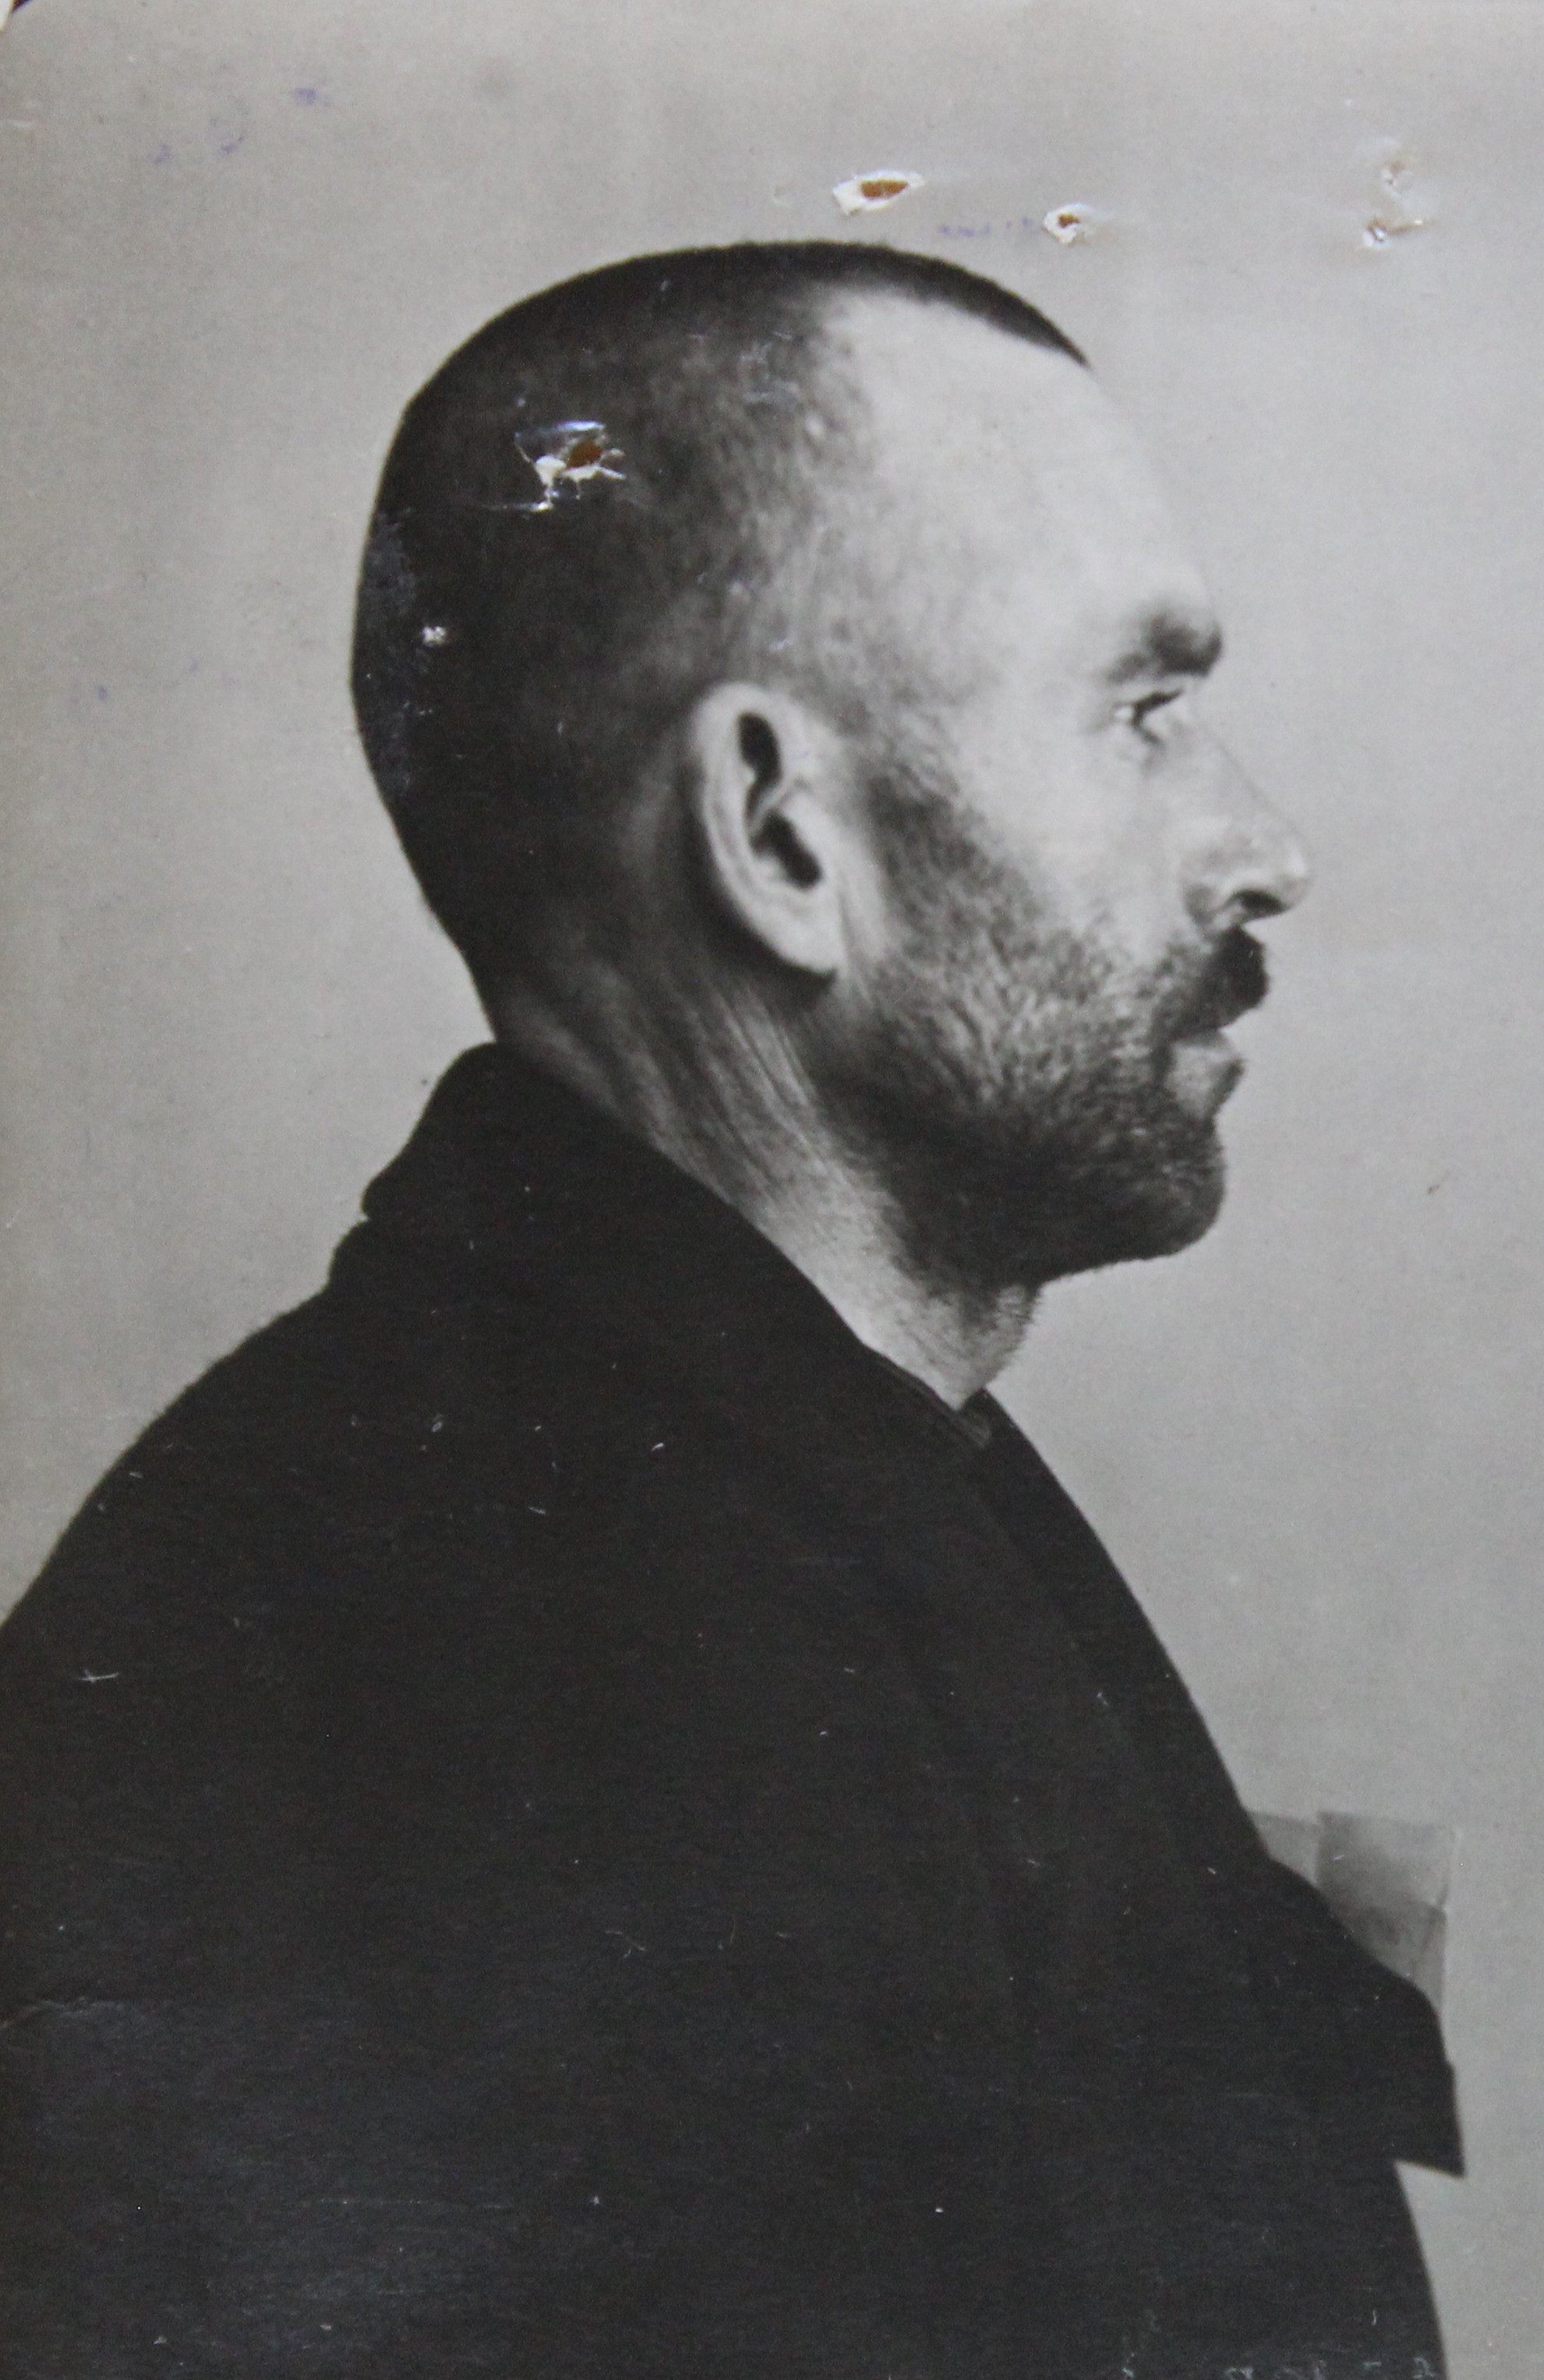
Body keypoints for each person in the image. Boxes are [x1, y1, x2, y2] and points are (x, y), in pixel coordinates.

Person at [0, 244, 1457, 2378]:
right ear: (781, 832)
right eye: (1143, 714)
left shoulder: (672, 1507)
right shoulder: (503, 1700)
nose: (1264, 849)